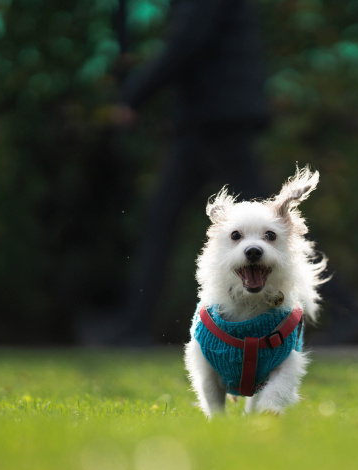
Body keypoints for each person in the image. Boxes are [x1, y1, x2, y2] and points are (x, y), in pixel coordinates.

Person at [107, 0, 271, 343]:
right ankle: (133, 327)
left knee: (271, 225)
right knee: (161, 219)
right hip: (209, 117)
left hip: (217, 117)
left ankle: (133, 327)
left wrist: (132, 96)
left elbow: (187, 43)